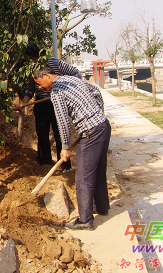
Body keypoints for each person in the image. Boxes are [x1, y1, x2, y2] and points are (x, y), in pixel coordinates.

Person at [33, 66, 111, 230]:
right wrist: (99, 110)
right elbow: (96, 91)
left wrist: (65, 147)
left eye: (40, 84)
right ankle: (102, 208)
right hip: (103, 126)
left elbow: (63, 122)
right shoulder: (73, 79)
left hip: (91, 132)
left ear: (47, 75)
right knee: (98, 169)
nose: (40, 88)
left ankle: (85, 220)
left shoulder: (56, 92)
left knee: (83, 176)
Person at [15, 43, 83, 170]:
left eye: (34, 58)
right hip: (41, 103)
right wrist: (24, 103)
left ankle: (64, 165)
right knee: (41, 133)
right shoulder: (32, 69)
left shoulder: (55, 63)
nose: (33, 61)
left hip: (56, 101)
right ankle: (44, 163)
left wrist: (68, 88)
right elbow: (30, 89)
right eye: (31, 59)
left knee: (59, 132)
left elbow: (75, 73)